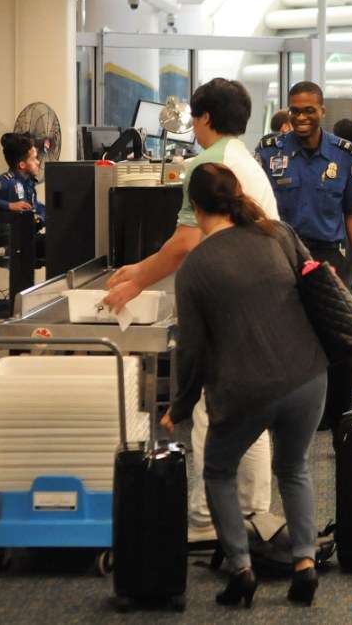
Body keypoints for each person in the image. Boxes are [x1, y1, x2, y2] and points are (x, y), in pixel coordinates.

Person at [103, 78, 278, 543]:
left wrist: (135, 282)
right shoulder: (247, 162)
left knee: (211, 410)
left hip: (228, 299)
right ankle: (254, 513)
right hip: (264, 296)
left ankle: (203, 521)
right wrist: (139, 267)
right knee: (251, 412)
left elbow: (184, 245)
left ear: (201, 119)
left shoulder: (206, 163)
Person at [160, 162, 327, 608]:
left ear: (195, 208)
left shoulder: (195, 267)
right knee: (294, 468)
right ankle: (305, 564)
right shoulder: (278, 234)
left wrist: (178, 408)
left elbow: (191, 353)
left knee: (218, 471)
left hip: (246, 389)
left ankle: (241, 570)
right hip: (309, 377)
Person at [256, 81, 352, 438]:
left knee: (335, 340)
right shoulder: (269, 151)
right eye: (296, 110)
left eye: (310, 110)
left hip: (328, 257)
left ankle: (338, 416)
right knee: (282, 338)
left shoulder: (345, 153)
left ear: (322, 112)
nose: (302, 116)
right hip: (281, 252)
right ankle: (285, 416)